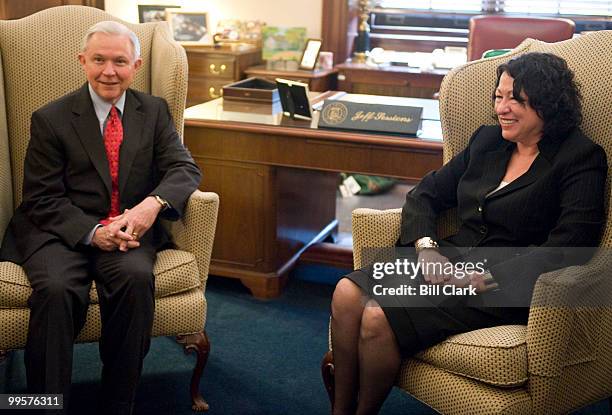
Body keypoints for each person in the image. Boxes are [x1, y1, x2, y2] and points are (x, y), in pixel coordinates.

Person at [329, 52, 608, 415]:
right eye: (498, 97)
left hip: (502, 286)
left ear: (548, 104)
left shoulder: (580, 157)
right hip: (447, 261)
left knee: (377, 317)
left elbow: (572, 244)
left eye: (515, 100)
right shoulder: (488, 141)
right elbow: (426, 194)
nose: (502, 109)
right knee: (346, 292)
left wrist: (488, 276)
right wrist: (427, 248)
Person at [0, 21, 201, 414]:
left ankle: (118, 402)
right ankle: (43, 405)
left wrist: (151, 205)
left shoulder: (154, 111)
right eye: (99, 60)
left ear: (136, 65)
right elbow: (40, 198)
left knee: (136, 278)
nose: (109, 71)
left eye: (120, 61)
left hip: (129, 229)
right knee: (57, 291)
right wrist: (93, 232)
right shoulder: (50, 118)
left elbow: (184, 169)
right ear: (82, 61)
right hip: (58, 231)